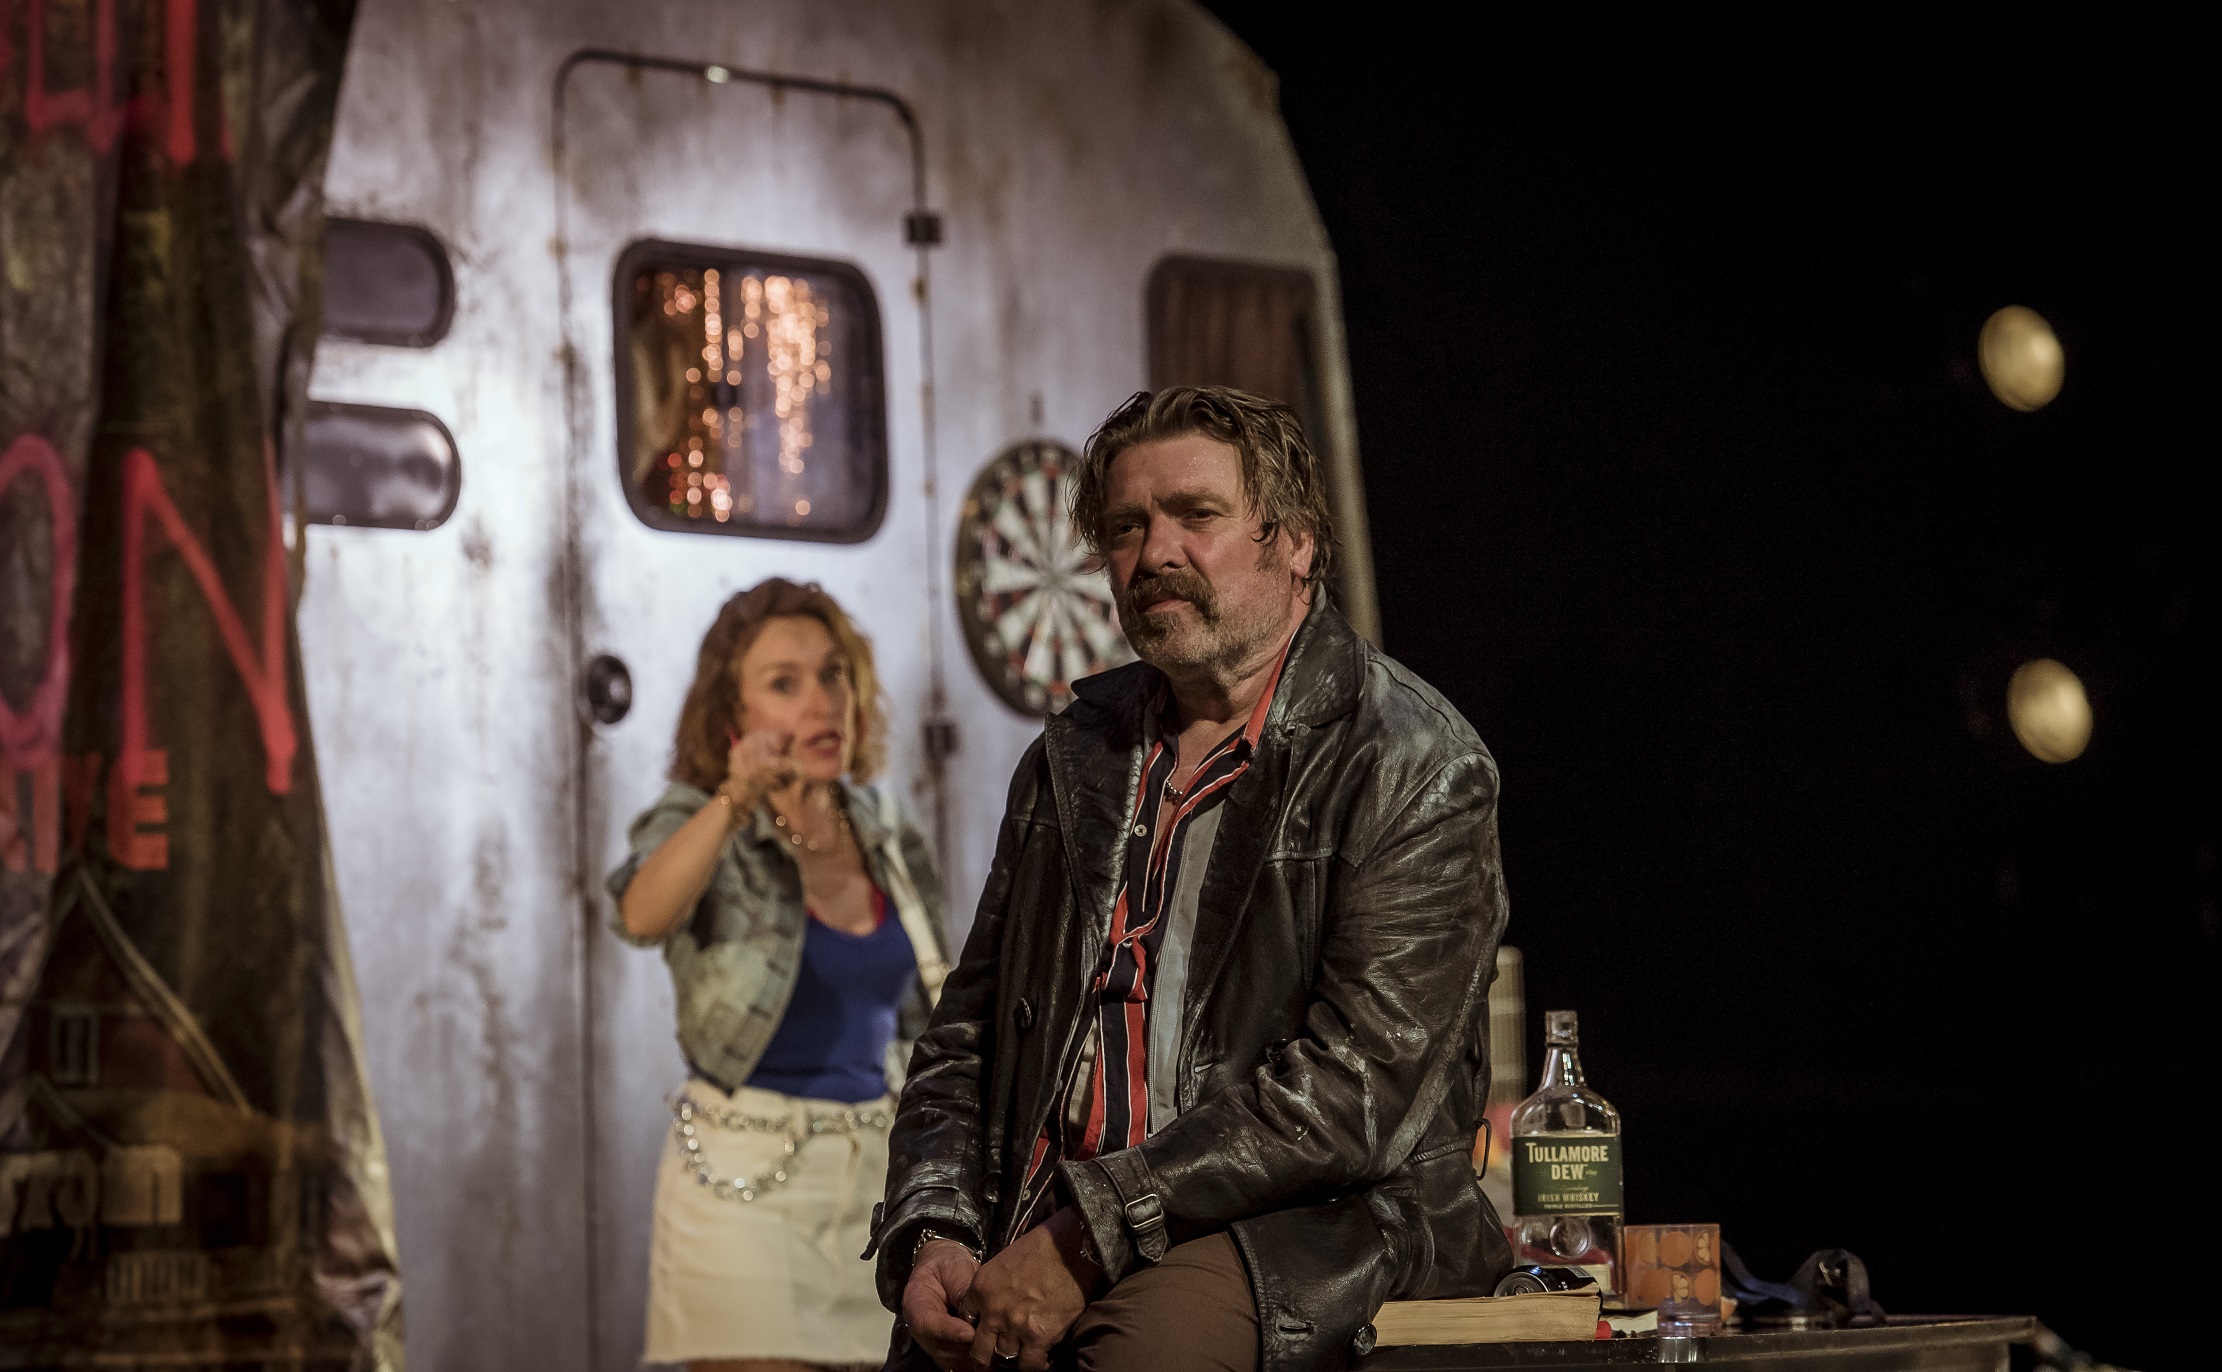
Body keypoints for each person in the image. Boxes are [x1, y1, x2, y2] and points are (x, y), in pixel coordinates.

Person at [869, 386, 1513, 1372]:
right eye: (1126, 526)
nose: (1154, 552)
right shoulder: (1072, 757)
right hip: (1051, 1218)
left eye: (1195, 515)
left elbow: (1351, 1090)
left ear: (1296, 543)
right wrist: (934, 1231)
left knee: (1140, 1351)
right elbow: (967, 1038)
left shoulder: (1412, 761)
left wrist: (1088, 1236)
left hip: (1304, 1230)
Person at [608, 578, 951, 1372]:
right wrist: (736, 798)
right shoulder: (701, 818)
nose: (822, 703)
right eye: (784, 684)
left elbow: (938, 1011)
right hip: (742, 1187)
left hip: (875, 1186)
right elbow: (641, 914)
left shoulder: (886, 831)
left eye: (833, 675)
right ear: (734, 716)